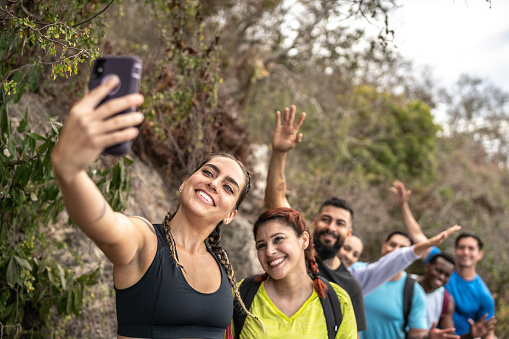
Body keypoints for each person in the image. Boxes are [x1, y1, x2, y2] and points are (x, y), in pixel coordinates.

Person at [51, 75, 255, 339]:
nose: (214, 183)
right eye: (208, 172)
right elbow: (104, 224)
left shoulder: (220, 263)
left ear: (231, 215)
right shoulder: (145, 241)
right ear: (185, 183)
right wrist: (70, 172)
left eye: (228, 187)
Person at [391, 180, 497, 339]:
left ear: (480, 254)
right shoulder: (442, 265)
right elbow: (418, 236)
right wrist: (403, 205)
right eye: (461, 248)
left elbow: (489, 334)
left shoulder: (483, 295)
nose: (465, 252)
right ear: (455, 251)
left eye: (471, 249)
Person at [233, 207, 357, 338]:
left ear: (304, 240)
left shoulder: (337, 301)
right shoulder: (241, 294)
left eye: (278, 239)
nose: (269, 251)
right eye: (261, 245)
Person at [354, 231, 428, 339]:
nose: (396, 251)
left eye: (403, 248)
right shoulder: (356, 272)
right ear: (384, 247)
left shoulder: (414, 291)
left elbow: (417, 333)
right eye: (392, 245)